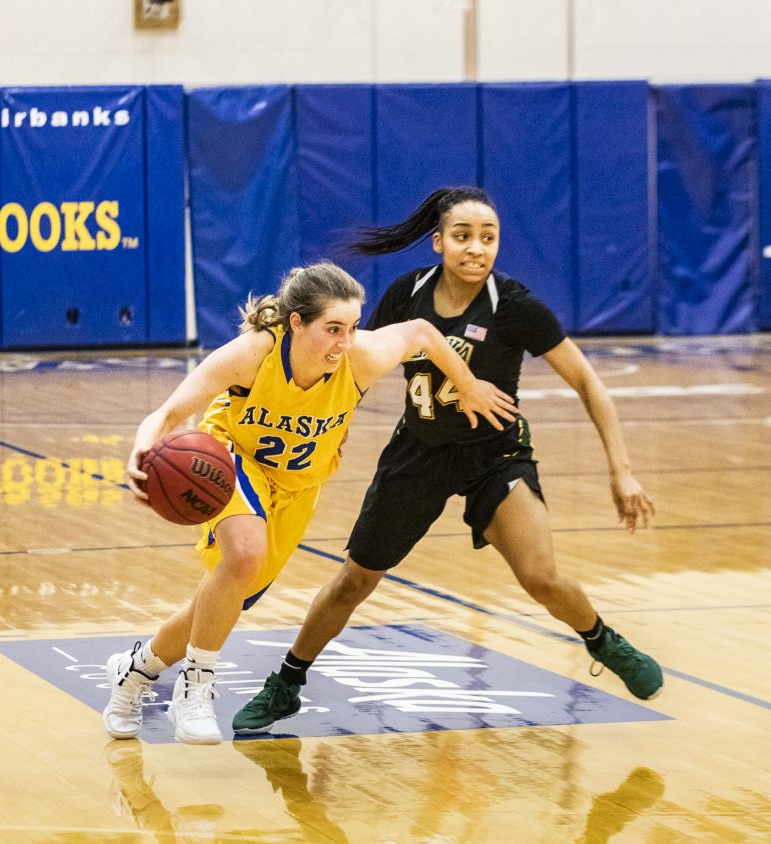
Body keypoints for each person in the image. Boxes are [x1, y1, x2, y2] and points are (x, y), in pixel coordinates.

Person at [231, 187, 662, 736]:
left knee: (541, 578)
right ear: (438, 242)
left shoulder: (518, 307)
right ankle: (286, 684)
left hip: (495, 455)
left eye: (489, 237)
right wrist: (327, 428)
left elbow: (588, 382)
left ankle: (604, 641)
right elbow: (351, 366)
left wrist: (620, 469)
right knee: (353, 582)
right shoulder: (406, 295)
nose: (476, 248)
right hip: (418, 453)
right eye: (462, 236)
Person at [102, 261, 516, 744]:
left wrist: (466, 384)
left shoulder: (359, 358)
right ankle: (195, 688)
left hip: (298, 487)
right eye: (332, 329)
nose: (344, 342)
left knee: (225, 594)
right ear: (296, 323)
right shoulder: (255, 354)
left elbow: (423, 332)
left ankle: (135, 670)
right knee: (244, 553)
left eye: (353, 328)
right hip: (232, 461)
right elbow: (169, 412)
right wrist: (142, 450)